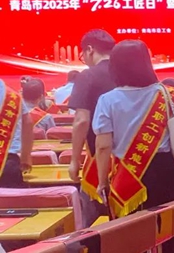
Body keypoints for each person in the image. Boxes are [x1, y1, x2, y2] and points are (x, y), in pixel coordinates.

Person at [93, 40, 174, 253]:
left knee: (130, 234)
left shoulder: (107, 100)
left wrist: (102, 181)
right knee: (172, 228)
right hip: (165, 169)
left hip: (126, 172)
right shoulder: (167, 94)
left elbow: (103, 147)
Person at [68, 29, 116, 226]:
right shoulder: (128, 74)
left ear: (89, 50)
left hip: (100, 158)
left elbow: (81, 120)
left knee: (92, 221)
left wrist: (74, 160)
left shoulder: (87, 76)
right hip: (132, 160)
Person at [0, 80, 32, 188]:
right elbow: (28, 122)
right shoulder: (11, 95)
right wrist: (26, 157)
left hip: (7, 160)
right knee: (11, 197)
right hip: (7, 160)